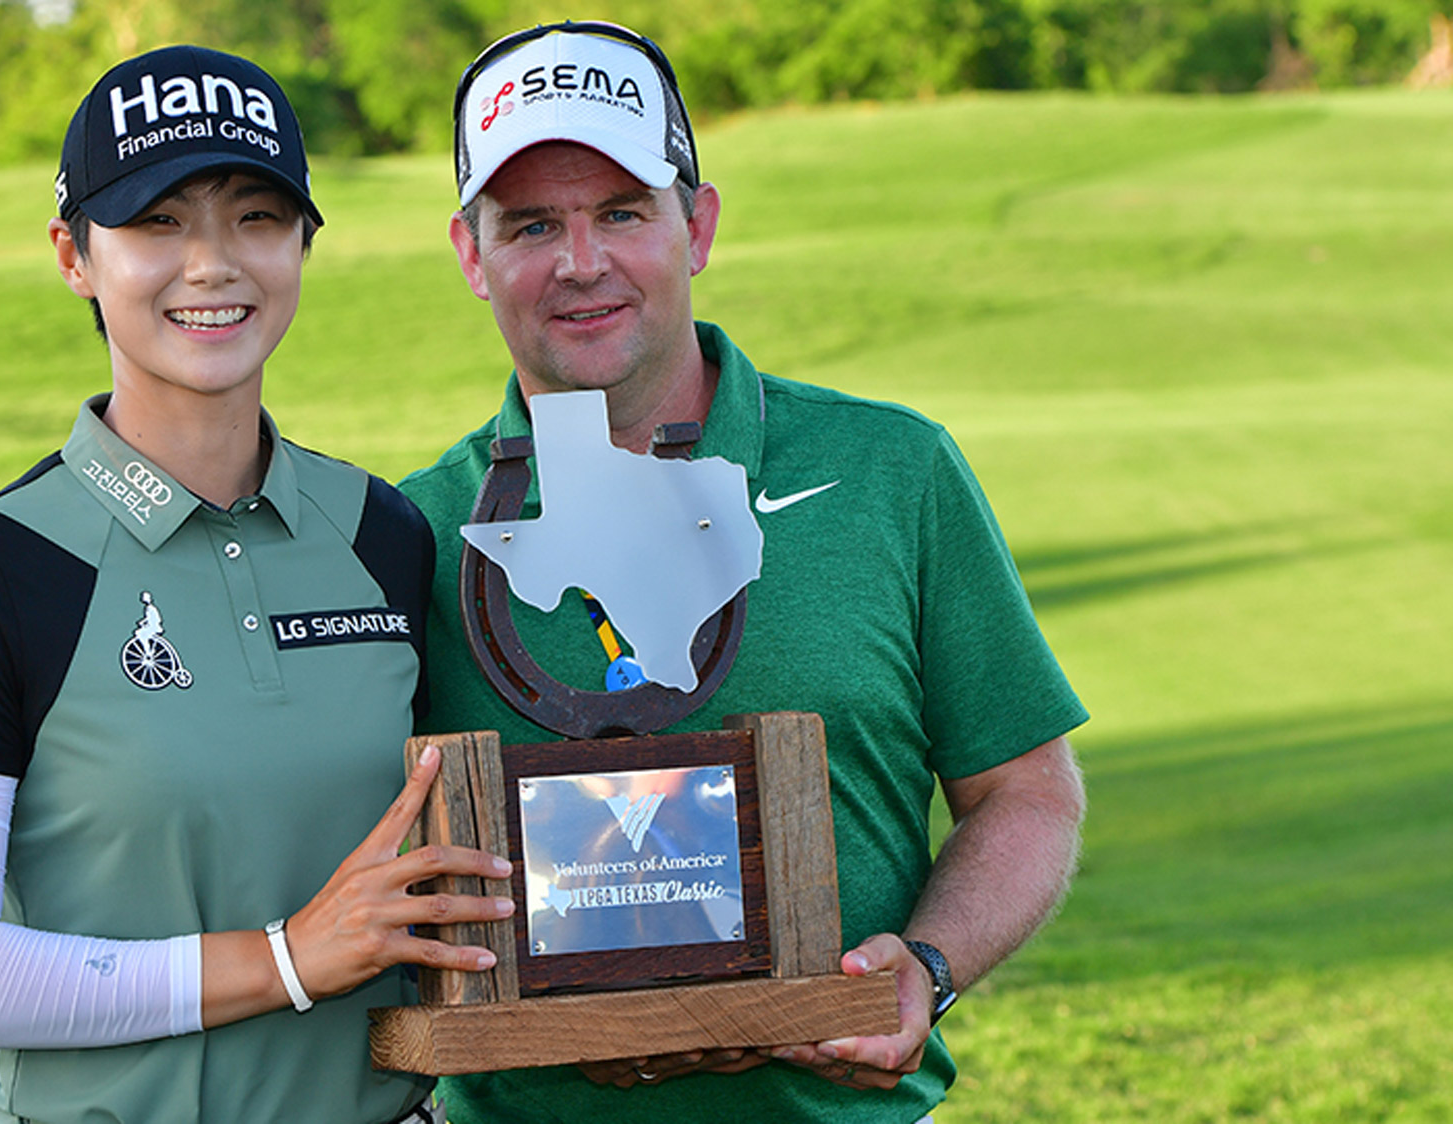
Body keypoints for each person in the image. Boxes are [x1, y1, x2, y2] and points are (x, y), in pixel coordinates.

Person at [398, 21, 1089, 1124]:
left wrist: (925, 962)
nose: (581, 262)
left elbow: (1026, 790)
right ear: (471, 255)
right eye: (531, 224)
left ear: (697, 224)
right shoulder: (408, 534)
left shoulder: (890, 468)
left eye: (621, 212)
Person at [0, 46, 510, 1124]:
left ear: (303, 244)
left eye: (255, 216)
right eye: (158, 220)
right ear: (74, 256)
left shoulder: (383, 533)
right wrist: (286, 959)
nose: (211, 262)